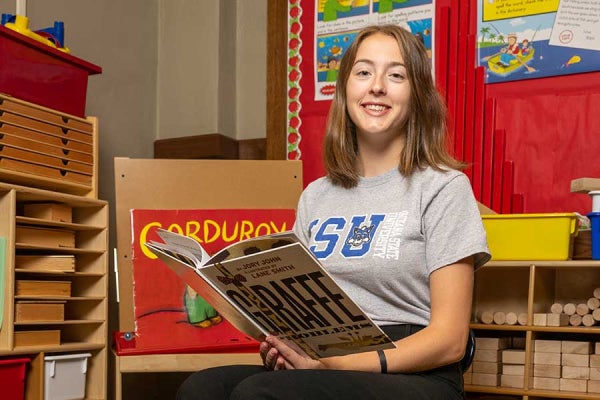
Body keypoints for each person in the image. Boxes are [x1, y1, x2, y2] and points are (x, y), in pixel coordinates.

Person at [176, 24, 490, 400]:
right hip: (329, 361)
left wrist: (339, 364)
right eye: (363, 72)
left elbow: (450, 341)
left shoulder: (443, 188)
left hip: (417, 374)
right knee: (203, 388)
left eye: (396, 75)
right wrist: (284, 347)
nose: (377, 86)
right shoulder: (316, 196)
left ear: (417, 96)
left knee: (259, 393)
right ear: (345, 91)